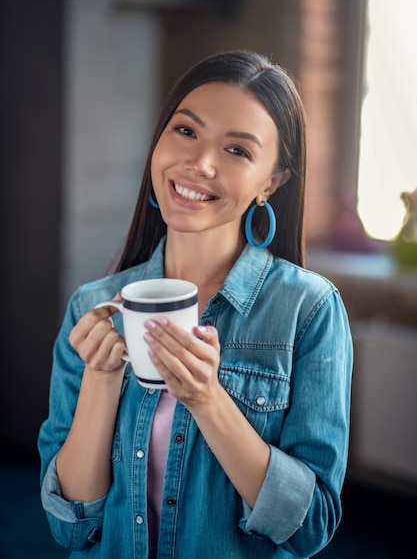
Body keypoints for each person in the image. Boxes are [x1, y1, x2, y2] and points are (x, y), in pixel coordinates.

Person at [38, 50, 353, 559]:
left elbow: (309, 527)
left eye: (237, 150)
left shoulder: (309, 310)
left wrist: (207, 399)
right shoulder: (90, 307)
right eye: (186, 132)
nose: (199, 163)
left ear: (270, 183)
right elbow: (71, 529)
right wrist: (100, 377)